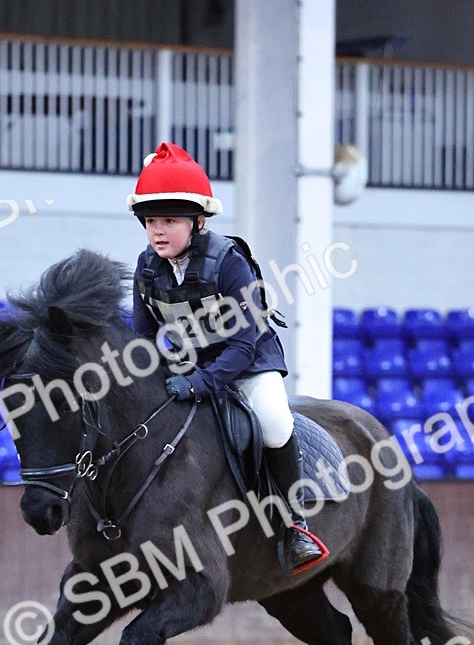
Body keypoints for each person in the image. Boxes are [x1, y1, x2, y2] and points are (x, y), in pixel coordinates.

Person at [127, 141, 327, 573]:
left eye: (169, 221)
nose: (158, 230)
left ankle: (296, 525)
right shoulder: (146, 267)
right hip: (189, 367)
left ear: (198, 222)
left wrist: (200, 382)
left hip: (247, 363)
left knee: (274, 423)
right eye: (150, 221)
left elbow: (241, 345)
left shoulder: (229, 262)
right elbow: (142, 337)